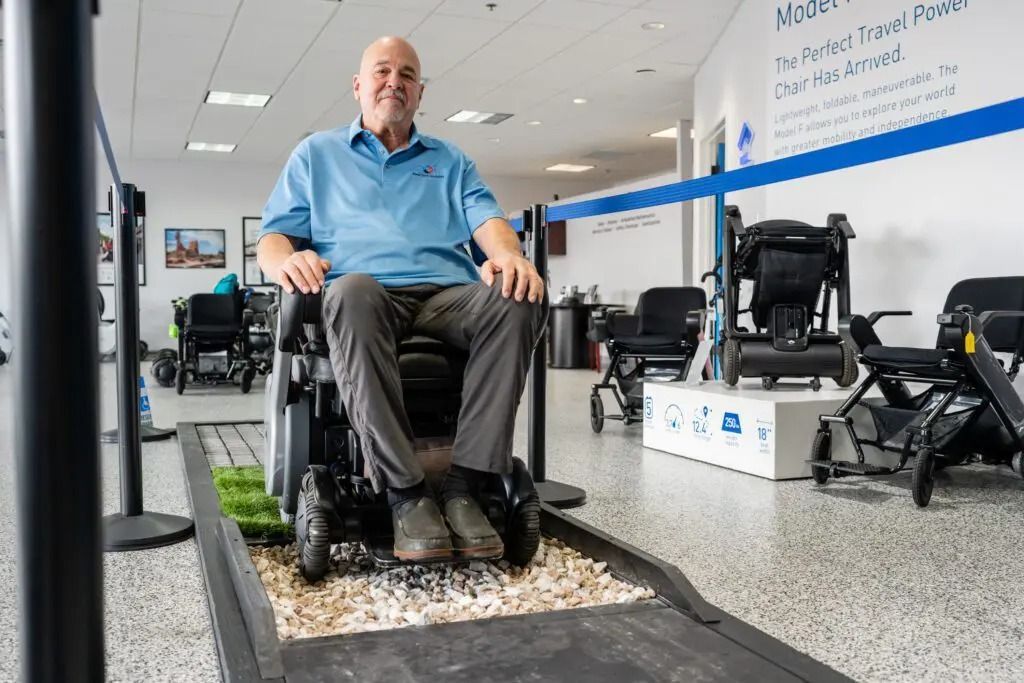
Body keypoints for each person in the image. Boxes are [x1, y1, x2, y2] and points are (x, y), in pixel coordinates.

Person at [258, 36, 547, 562]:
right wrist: (284, 262)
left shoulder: (449, 159)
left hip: (446, 294)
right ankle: (405, 493)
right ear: (358, 86)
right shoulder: (316, 154)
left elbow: (488, 222)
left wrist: (510, 257)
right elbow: (274, 237)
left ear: (420, 91)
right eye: (382, 71)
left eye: (408, 74)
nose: (395, 81)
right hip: (364, 298)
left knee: (518, 295)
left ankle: (465, 485)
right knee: (352, 289)